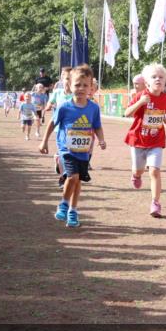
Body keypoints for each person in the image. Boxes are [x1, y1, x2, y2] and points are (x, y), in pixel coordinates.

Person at [39, 65, 106, 228]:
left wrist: (101, 139)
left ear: (91, 88)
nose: (81, 88)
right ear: (69, 86)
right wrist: (44, 141)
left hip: (84, 151)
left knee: (78, 181)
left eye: (85, 85)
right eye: (77, 85)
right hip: (66, 149)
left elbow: (97, 126)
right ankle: (63, 204)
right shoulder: (64, 106)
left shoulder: (93, 108)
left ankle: (73, 211)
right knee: (73, 176)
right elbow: (52, 122)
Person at [124, 63, 166, 218]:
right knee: (138, 169)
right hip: (138, 140)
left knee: (154, 171)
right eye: (154, 77)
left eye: (161, 77)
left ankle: (155, 203)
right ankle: (137, 175)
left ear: (165, 81)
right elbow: (127, 113)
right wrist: (140, 102)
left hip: (156, 140)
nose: (158, 79)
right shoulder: (141, 96)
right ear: (147, 82)